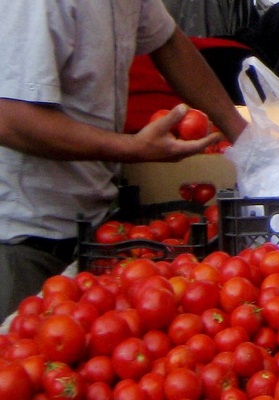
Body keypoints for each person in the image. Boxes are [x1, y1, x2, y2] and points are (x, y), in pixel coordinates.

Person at [0, 1, 249, 321]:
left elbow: (169, 43)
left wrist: (242, 133)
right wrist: (130, 147)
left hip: (93, 221)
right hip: (27, 233)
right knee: (21, 353)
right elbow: (10, 118)